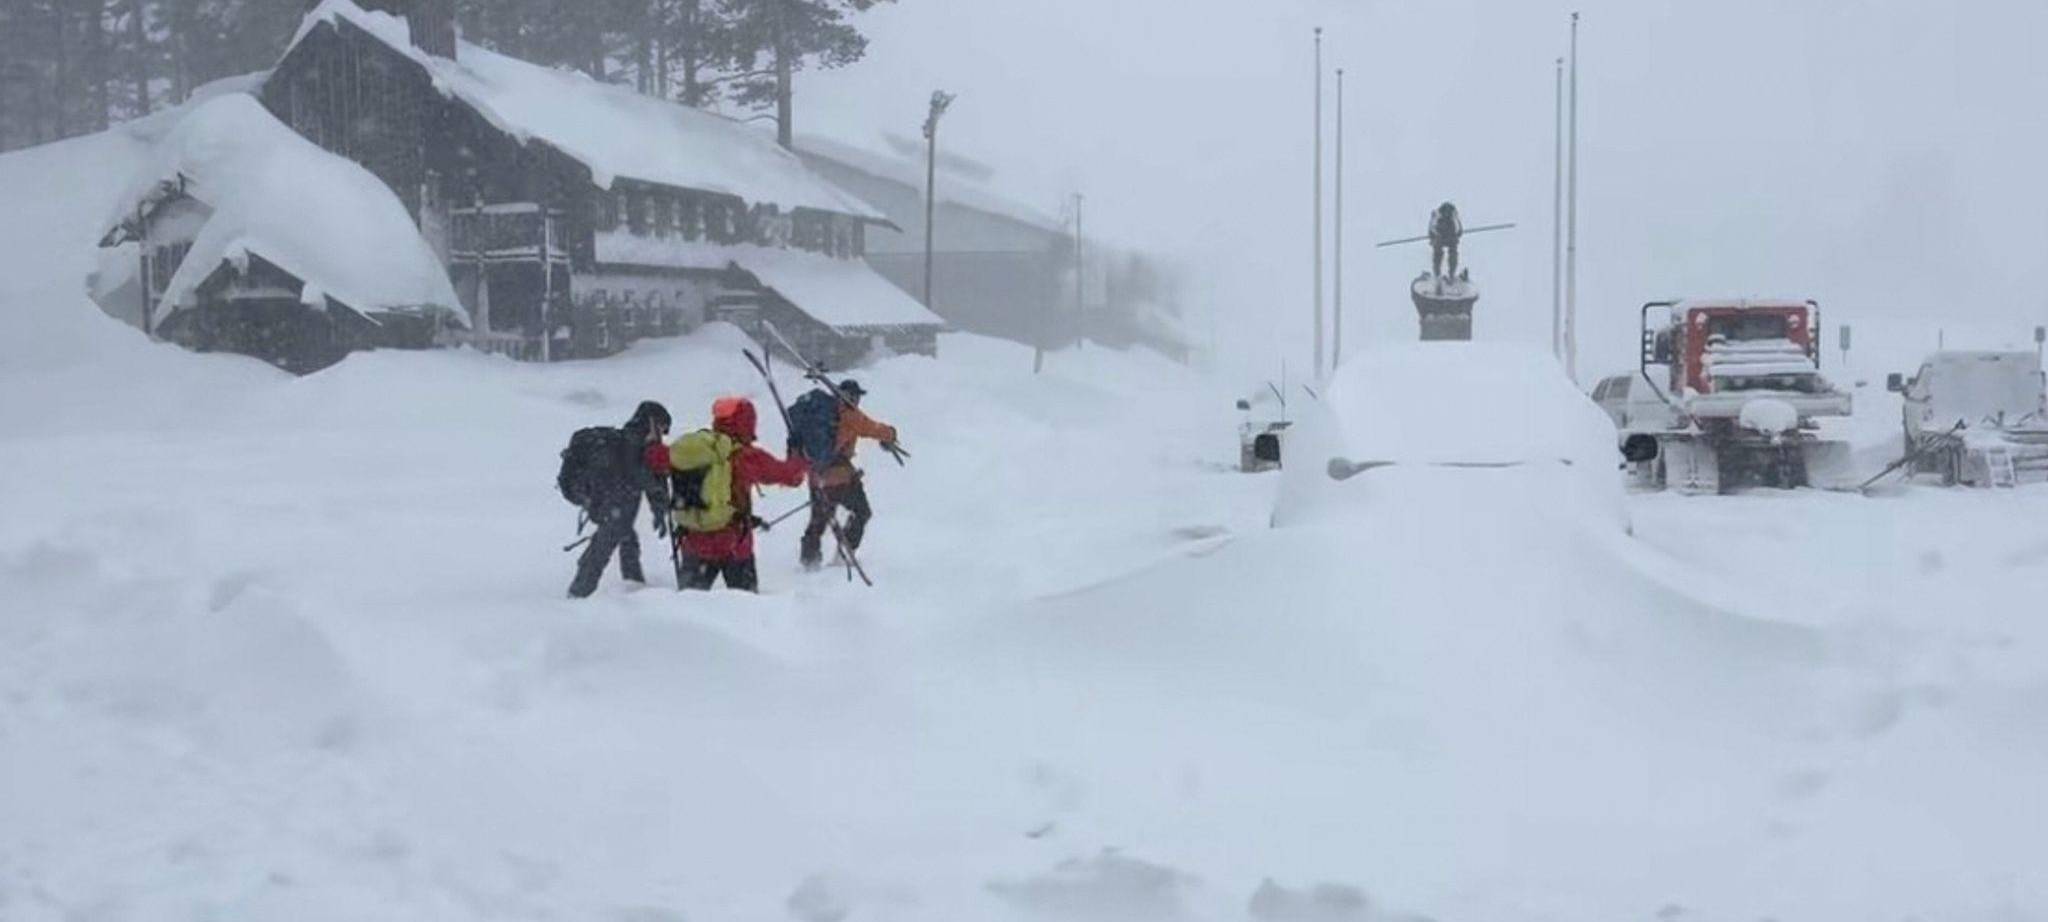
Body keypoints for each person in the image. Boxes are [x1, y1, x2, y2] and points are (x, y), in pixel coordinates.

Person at [669, 396, 808, 592]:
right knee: (747, 609)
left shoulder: (699, 450)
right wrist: (797, 454)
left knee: (687, 607)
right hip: (733, 544)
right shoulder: (745, 456)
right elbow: (792, 476)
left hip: (693, 541)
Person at [561, 400, 672, 599]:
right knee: (606, 542)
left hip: (610, 499)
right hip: (613, 501)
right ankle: (579, 593)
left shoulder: (631, 440)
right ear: (653, 422)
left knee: (625, 536)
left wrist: (658, 507)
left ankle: (632, 586)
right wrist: (659, 499)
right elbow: (640, 474)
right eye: (662, 428)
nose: (662, 435)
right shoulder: (633, 440)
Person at [800, 379, 901, 571]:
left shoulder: (820, 414)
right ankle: (844, 554)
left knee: (818, 521)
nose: (858, 401)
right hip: (841, 478)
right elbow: (873, 428)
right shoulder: (849, 415)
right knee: (862, 512)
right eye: (857, 397)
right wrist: (891, 434)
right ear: (852, 396)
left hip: (816, 477)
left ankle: (809, 562)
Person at [1428, 201, 1463, 278]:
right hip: (1440, 237)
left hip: (1450, 237)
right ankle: (1437, 274)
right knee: (1438, 251)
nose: (1447, 214)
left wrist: (1455, 236)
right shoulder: (1437, 215)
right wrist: (1434, 237)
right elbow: (1431, 228)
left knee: (1453, 253)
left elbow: (1459, 229)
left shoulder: (1454, 216)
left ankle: (1451, 274)